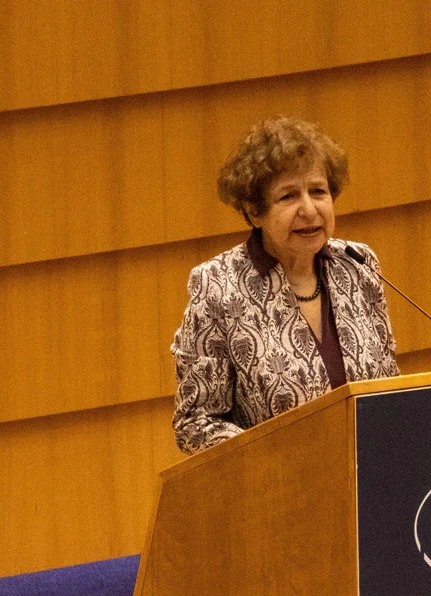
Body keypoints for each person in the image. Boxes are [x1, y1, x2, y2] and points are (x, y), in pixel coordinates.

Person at [171, 117, 400, 454]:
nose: (309, 209)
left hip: (371, 473)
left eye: (318, 191)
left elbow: (389, 387)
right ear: (255, 212)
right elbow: (195, 423)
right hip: (276, 481)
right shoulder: (217, 286)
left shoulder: (358, 265)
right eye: (288, 196)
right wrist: (275, 458)